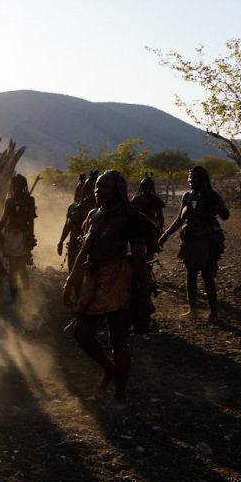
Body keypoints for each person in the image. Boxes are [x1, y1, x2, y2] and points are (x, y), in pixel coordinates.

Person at [63, 170, 154, 409]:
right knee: (82, 335)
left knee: (118, 340)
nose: (97, 191)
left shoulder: (130, 219)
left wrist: (144, 292)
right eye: (96, 187)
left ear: (117, 191)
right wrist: (71, 281)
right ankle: (109, 370)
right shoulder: (94, 215)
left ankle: (120, 395)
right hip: (93, 277)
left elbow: (139, 257)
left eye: (103, 187)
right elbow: (84, 251)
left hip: (119, 280)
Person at [159, 166, 230, 320]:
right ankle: (193, 310)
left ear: (203, 179)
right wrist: (165, 236)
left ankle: (214, 311)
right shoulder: (187, 196)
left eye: (193, 178)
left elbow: (225, 215)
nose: (190, 180)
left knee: (207, 275)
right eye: (189, 178)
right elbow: (179, 219)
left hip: (207, 239)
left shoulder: (212, 195)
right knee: (191, 275)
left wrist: (221, 210)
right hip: (190, 239)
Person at [0, 174, 36, 297]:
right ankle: (14, 294)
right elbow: (4, 218)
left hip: (22, 236)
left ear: (24, 185)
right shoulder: (9, 201)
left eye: (20, 184)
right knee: (13, 268)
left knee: (22, 267)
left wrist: (31, 236)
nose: (17, 186)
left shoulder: (30, 200)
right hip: (9, 236)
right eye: (15, 184)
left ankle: (26, 292)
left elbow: (31, 220)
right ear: (12, 185)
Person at [58, 173, 97, 272]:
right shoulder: (73, 207)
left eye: (91, 190)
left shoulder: (98, 210)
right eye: (86, 190)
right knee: (73, 274)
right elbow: (67, 226)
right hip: (73, 245)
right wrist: (61, 241)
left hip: (90, 250)